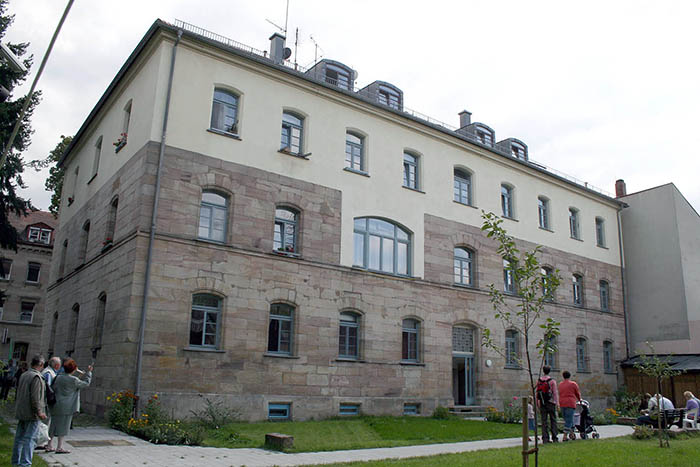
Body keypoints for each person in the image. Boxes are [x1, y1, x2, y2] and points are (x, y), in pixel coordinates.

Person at [48, 358, 93, 454]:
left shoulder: (58, 377)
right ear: (73, 369)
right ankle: (59, 447)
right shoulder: (74, 380)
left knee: (53, 425)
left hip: (56, 404)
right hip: (67, 406)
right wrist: (89, 373)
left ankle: (49, 445)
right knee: (63, 426)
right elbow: (85, 384)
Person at [11, 354, 47, 467]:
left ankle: (15, 462)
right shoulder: (36, 377)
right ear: (40, 364)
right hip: (31, 413)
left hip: (22, 411)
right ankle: (25, 464)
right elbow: (35, 397)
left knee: (19, 438)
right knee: (30, 439)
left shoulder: (24, 374)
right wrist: (39, 412)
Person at [36, 357, 62, 451]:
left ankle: (41, 441)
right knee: (44, 422)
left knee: (45, 422)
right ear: (57, 365)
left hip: (45, 401)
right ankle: (40, 442)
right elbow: (48, 388)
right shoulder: (48, 373)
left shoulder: (48, 371)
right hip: (45, 402)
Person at [536, 365, 559, 443]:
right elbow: (555, 393)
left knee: (544, 421)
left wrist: (537, 403)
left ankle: (545, 438)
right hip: (551, 402)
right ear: (549, 371)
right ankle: (555, 437)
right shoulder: (552, 381)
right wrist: (557, 403)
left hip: (542, 403)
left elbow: (537, 393)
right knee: (553, 420)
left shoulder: (539, 381)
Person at [558, 370, 582, 441]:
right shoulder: (573, 384)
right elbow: (577, 393)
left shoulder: (560, 384)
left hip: (562, 402)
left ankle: (572, 434)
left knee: (567, 419)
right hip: (570, 403)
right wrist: (580, 400)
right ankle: (565, 436)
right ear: (569, 376)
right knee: (569, 420)